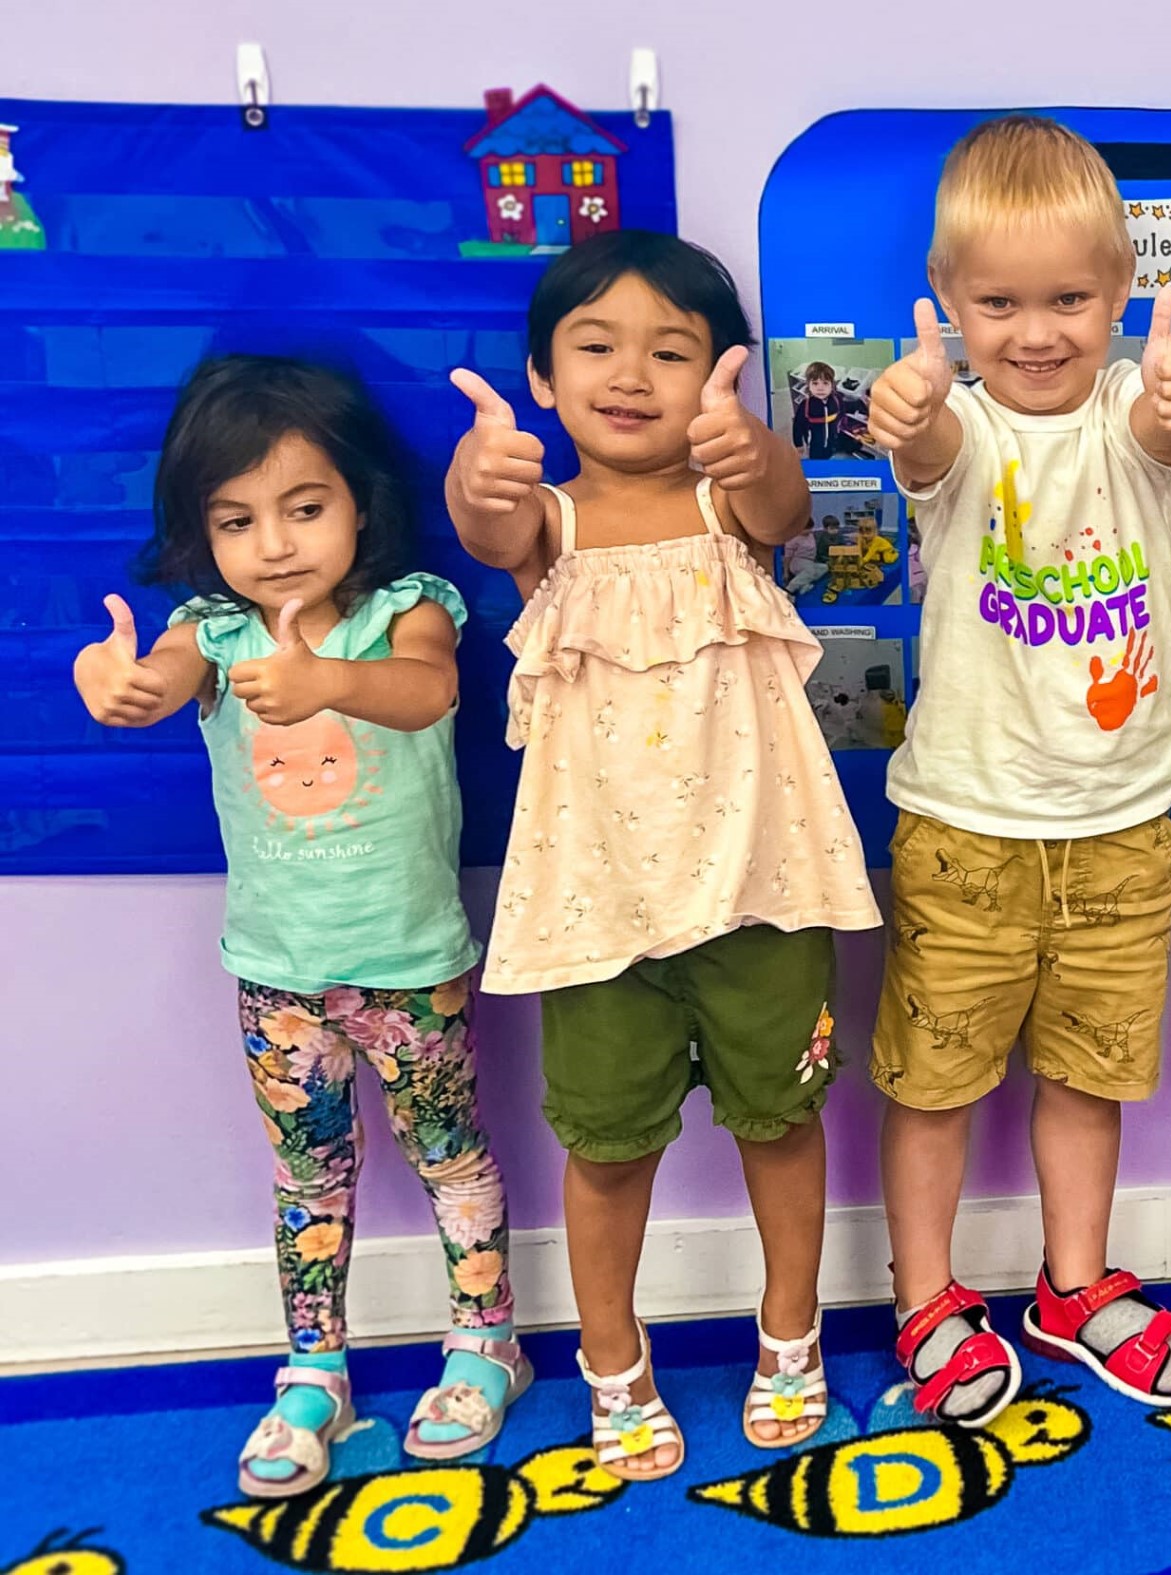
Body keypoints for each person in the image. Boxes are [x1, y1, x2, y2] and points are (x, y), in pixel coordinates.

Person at [444, 230, 881, 1480]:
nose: (632, 372)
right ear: (540, 374)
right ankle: (610, 1359)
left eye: (670, 351)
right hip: (596, 906)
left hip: (761, 882)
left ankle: (788, 1330)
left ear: (715, 376)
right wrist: (481, 483)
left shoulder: (721, 503)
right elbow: (487, 533)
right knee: (606, 1145)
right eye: (595, 346)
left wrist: (753, 447)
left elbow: (783, 507)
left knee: (780, 1122)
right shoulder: (547, 520)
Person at [74, 354, 522, 1497]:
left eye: (303, 507)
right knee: (307, 1180)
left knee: (447, 1155)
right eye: (236, 518)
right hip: (275, 974)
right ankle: (314, 1370)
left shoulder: (407, 608)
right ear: (201, 531)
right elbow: (162, 676)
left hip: (411, 962)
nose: (273, 542)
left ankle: (486, 1343)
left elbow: (427, 691)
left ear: (360, 500)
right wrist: (117, 683)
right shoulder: (211, 632)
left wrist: (327, 677)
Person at [861, 114, 1171, 1425]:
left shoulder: (1135, 405)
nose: (1037, 329)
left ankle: (1073, 1284)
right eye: (998, 302)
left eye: (1070, 297)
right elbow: (928, 456)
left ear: (1119, 296)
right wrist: (909, 407)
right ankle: (927, 1297)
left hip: (1127, 828)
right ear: (950, 303)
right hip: (967, 830)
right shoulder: (955, 426)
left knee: (1089, 1073)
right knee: (936, 1080)